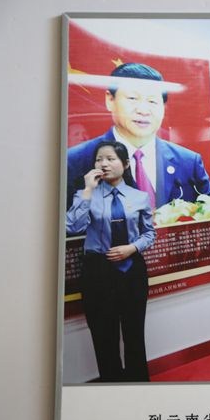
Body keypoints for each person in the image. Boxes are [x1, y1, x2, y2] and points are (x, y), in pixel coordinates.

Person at [66, 63, 210, 211]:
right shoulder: (74, 162)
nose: (143, 110)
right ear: (110, 100)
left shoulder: (189, 162)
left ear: (164, 107)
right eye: (132, 98)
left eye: (152, 101)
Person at [66, 141, 156, 382]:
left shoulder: (140, 196)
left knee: (134, 334)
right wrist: (87, 190)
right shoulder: (86, 195)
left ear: (125, 164)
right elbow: (72, 227)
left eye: (110, 158)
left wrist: (132, 248)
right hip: (98, 272)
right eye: (99, 159)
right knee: (104, 337)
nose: (103, 164)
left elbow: (149, 234)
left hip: (132, 271)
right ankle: (111, 388)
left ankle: (139, 385)